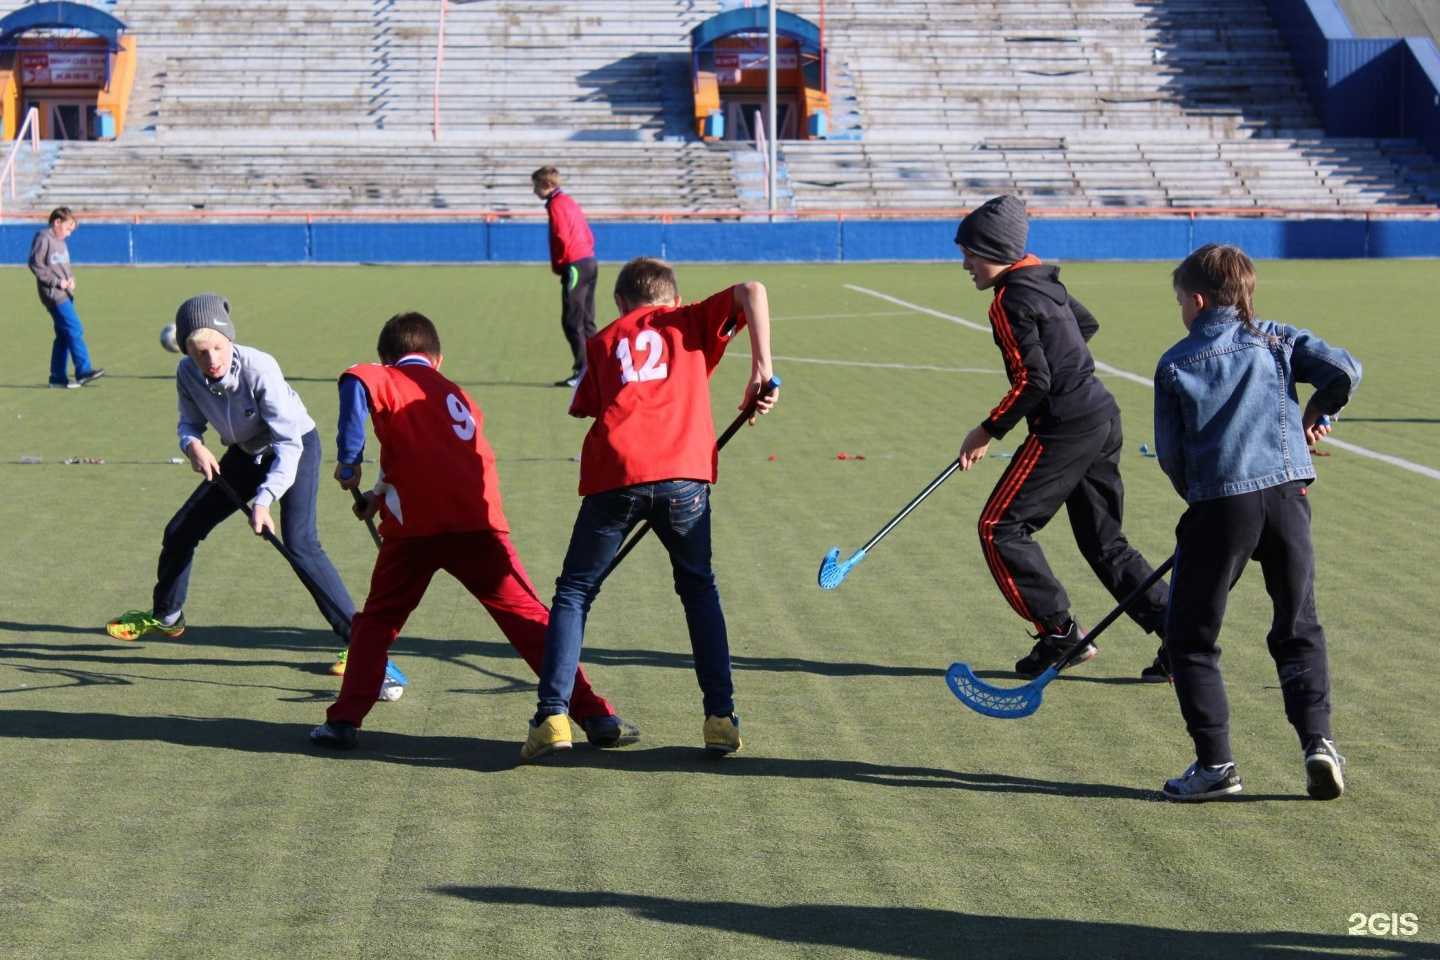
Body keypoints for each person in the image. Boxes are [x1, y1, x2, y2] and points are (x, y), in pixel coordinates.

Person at [310, 312, 636, 750]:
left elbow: (355, 382)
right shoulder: (459, 398)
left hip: (417, 533)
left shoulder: (379, 376)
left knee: (377, 623)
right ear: (437, 359)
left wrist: (349, 458)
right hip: (480, 526)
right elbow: (421, 453)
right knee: (529, 620)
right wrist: (377, 493)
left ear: (387, 358)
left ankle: (344, 721)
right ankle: (595, 713)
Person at [520, 257, 777, 762]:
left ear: (620, 303)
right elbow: (753, 288)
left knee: (574, 592)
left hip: (616, 475)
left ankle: (551, 716)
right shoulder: (691, 320)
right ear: (674, 298)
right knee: (699, 589)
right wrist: (761, 369)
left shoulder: (603, 340)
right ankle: (720, 716)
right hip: (685, 476)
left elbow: (590, 407)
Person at [1154, 244, 1360, 802]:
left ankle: (1216, 765)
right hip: (1289, 497)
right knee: (1298, 625)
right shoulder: (1278, 339)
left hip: (1223, 504)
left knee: (1191, 636)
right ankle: (1318, 742)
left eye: (1180, 301)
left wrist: (1202, 506)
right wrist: (1318, 415)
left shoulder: (1176, 361)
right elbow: (1343, 369)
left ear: (1196, 300)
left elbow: (1174, 456)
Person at [105, 295, 387, 687]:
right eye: (200, 352)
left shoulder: (259, 367)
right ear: (186, 350)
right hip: (245, 452)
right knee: (180, 530)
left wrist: (265, 498)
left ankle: (360, 644)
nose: (212, 360)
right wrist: (193, 445)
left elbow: (289, 444)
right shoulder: (188, 373)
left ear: (230, 341)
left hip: (294, 447)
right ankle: (167, 616)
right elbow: (189, 424)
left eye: (219, 348)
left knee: (301, 544)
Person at [954, 195, 1170, 681]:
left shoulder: (1009, 300)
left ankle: (1059, 635)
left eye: (971, 253)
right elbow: (1085, 325)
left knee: (998, 528)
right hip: (1102, 414)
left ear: (996, 250)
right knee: (1105, 542)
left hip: (1065, 427)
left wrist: (986, 431)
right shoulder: (1045, 281)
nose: (965, 264)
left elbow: (1034, 382)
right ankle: (1178, 633)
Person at [532, 165, 597, 388]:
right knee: (587, 320)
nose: (534, 191)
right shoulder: (569, 201)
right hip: (589, 261)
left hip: (575, 264)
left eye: (536, 186)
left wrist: (561, 264)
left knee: (572, 320)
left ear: (547, 185)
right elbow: (587, 233)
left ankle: (583, 371)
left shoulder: (557, 204)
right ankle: (594, 368)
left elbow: (561, 236)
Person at [29, 206, 104, 389]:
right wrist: (56, 282)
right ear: (57, 222)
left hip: (65, 293)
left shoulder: (61, 242)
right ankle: (83, 371)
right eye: (68, 228)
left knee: (63, 335)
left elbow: (63, 266)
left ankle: (57, 377)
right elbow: (35, 264)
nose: (69, 233)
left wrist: (71, 280)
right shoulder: (44, 237)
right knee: (74, 328)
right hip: (54, 295)